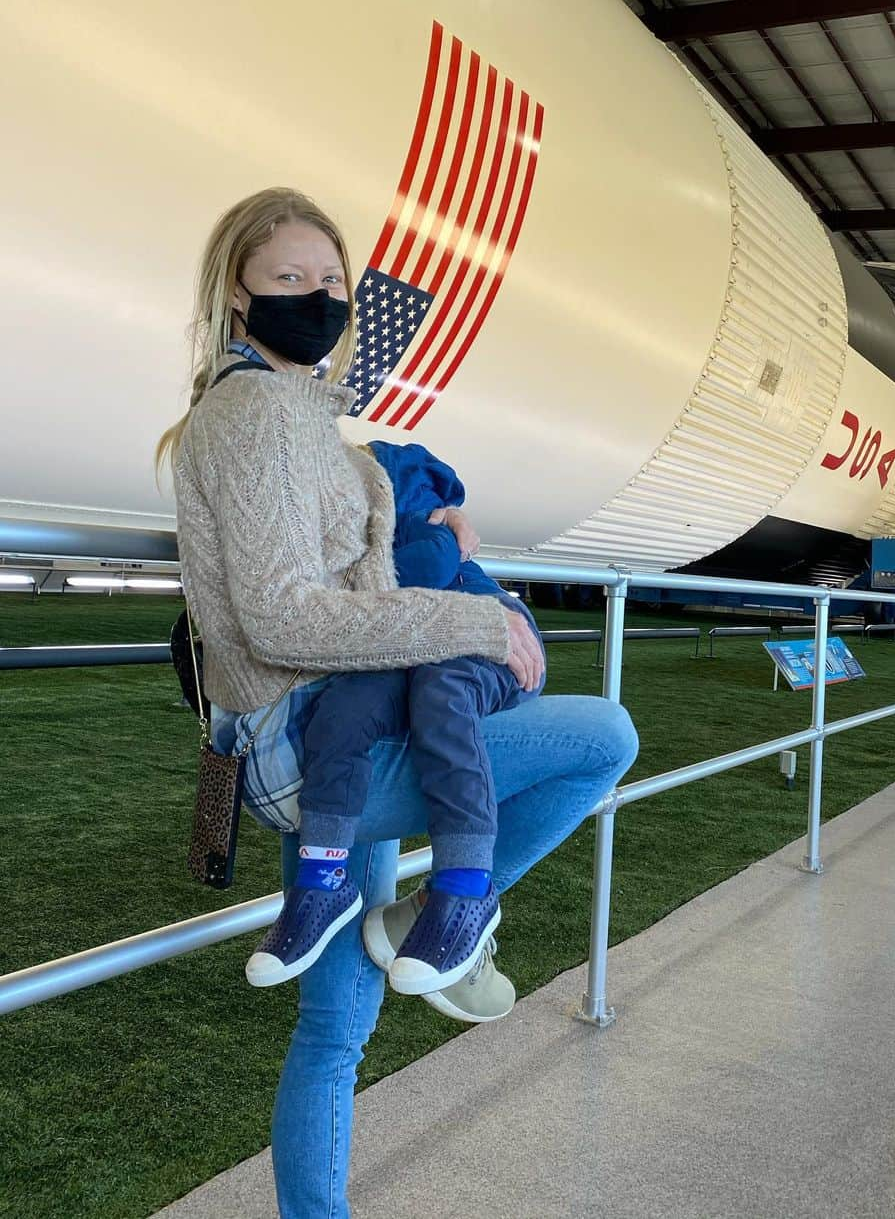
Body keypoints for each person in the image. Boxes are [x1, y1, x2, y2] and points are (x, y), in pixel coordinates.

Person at [156, 187, 639, 1218]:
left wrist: (406, 516)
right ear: (236, 297)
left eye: (333, 280)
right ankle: (436, 909)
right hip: (314, 739)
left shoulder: (292, 415)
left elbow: (335, 573)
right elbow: (286, 614)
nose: (319, 297)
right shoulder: (253, 418)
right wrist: (467, 622)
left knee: (337, 1023)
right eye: (290, 279)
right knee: (602, 736)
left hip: (332, 729)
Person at [242, 431, 547, 999]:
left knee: (442, 695)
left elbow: (418, 572)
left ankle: (464, 883)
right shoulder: (342, 524)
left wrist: (423, 539)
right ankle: (321, 879)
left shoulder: (412, 526)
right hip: (408, 644)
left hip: (490, 635)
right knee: (343, 708)